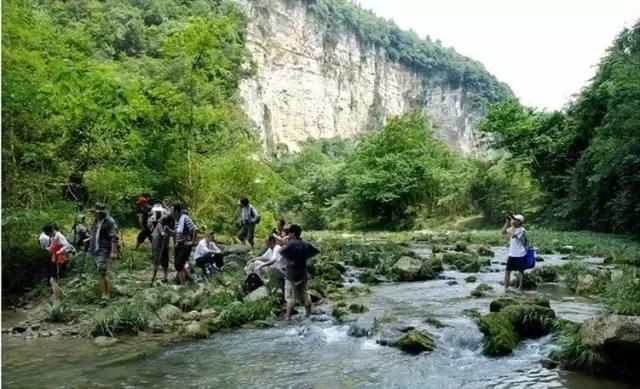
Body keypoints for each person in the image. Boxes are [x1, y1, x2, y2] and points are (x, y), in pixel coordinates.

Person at [280, 224, 319, 320]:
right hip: (303, 271)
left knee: (291, 296)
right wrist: (306, 257)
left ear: (293, 233)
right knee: (305, 293)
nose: (288, 235)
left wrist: (289, 260)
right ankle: (308, 314)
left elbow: (281, 251)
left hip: (291, 273)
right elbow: (316, 251)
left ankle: (288, 316)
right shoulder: (305, 244)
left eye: (289, 233)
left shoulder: (290, 244)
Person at [88, 203, 119, 305]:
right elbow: (94, 233)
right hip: (95, 249)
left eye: (96, 213)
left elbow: (114, 237)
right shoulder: (96, 221)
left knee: (102, 271)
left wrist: (113, 252)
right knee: (100, 272)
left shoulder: (109, 222)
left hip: (103, 249)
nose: (95, 214)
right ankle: (103, 294)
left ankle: (106, 295)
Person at [42, 223, 74, 300]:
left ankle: (57, 300)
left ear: (51, 231)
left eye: (47, 233)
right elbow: (52, 248)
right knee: (53, 280)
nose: (47, 235)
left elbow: (67, 245)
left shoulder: (59, 236)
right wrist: (46, 248)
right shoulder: (54, 237)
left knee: (53, 280)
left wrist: (60, 251)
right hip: (54, 259)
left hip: (60, 259)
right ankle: (62, 297)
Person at [502, 214, 528, 292]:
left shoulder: (522, 230)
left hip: (520, 254)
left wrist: (512, 226)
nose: (514, 221)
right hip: (511, 254)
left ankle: (520, 287)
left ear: (520, 222)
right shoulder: (512, 228)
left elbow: (513, 235)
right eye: (513, 219)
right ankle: (505, 287)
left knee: (521, 271)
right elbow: (503, 232)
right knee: (507, 271)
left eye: (516, 220)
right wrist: (507, 222)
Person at [173, 203, 197, 285]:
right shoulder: (176, 219)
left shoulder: (185, 218)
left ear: (176, 211)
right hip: (179, 244)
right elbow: (176, 233)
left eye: (172, 210)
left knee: (178, 264)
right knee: (178, 265)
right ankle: (190, 278)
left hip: (185, 245)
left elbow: (194, 229)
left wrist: (192, 242)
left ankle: (183, 285)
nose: (170, 212)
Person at [150, 211, 171, 284]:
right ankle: (154, 276)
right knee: (157, 258)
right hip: (157, 239)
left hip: (165, 241)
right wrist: (162, 233)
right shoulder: (166, 216)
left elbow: (173, 231)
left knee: (165, 259)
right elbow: (159, 225)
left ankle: (165, 277)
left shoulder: (176, 220)